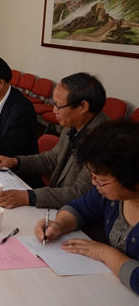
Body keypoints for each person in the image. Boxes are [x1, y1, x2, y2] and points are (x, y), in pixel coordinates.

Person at [34, 119, 139, 295]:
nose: (94, 184)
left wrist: (104, 252)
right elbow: (79, 209)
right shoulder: (108, 194)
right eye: (92, 176)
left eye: (102, 181)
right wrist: (59, 224)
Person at [0, 72, 109, 209]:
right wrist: (15, 162)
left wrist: (28, 197)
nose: (54, 110)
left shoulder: (104, 141)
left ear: (83, 107)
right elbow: (52, 158)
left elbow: (80, 193)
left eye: (59, 106)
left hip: (78, 215)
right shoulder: (74, 125)